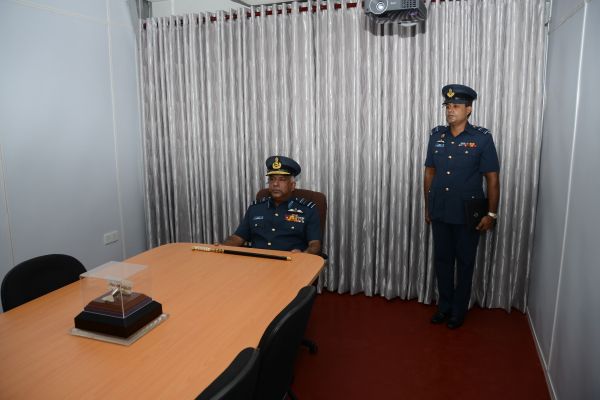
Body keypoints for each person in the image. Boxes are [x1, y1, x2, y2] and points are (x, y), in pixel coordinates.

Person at [424, 84, 500, 329]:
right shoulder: (436, 136)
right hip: (441, 210)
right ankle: (444, 306)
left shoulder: (481, 138)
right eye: (447, 106)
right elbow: (429, 172)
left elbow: (492, 178)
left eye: (456, 106)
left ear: (469, 109)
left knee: (465, 263)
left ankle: (459, 310)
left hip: (468, 214)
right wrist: (428, 207)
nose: (450, 110)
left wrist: (491, 213)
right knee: (442, 261)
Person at [222, 155, 322, 255]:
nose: (275, 184)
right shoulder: (255, 208)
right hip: (256, 260)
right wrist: (221, 248)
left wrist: (304, 255)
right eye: (272, 179)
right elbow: (238, 237)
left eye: (282, 179)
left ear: (292, 185)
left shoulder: (308, 210)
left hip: (290, 262)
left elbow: (315, 245)